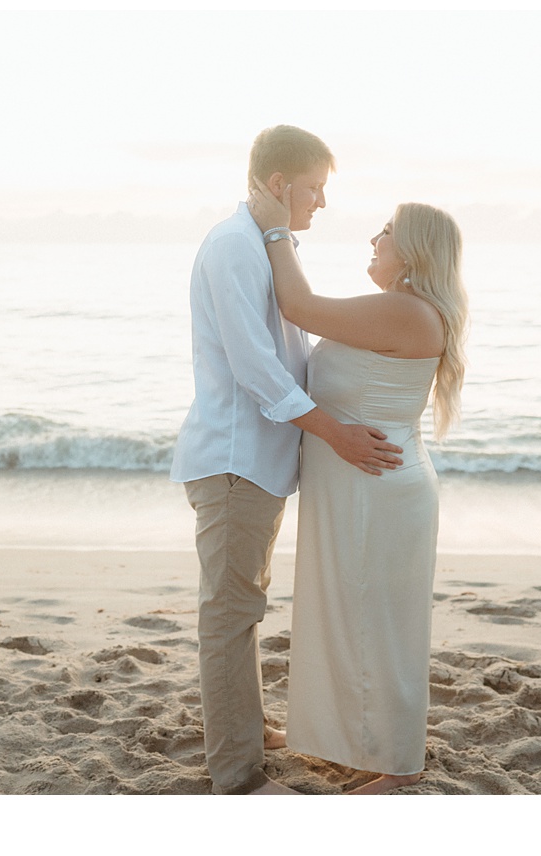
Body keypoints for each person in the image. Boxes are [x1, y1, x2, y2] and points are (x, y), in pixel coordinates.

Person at [169, 125, 404, 796]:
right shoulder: (233, 247)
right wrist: (335, 432)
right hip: (235, 463)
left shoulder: (269, 243)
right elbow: (256, 368)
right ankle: (237, 773)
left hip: (260, 464)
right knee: (229, 613)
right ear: (279, 184)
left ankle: (246, 728)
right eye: (316, 189)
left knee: (243, 607)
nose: (323, 203)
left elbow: (294, 342)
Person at [248, 179, 469, 794]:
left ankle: (398, 767)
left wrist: (274, 228)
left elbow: (298, 304)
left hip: (378, 491)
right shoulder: (400, 311)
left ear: (416, 252)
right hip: (364, 486)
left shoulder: (405, 310)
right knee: (350, 617)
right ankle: (347, 737)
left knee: (379, 626)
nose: (374, 238)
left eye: (388, 231)